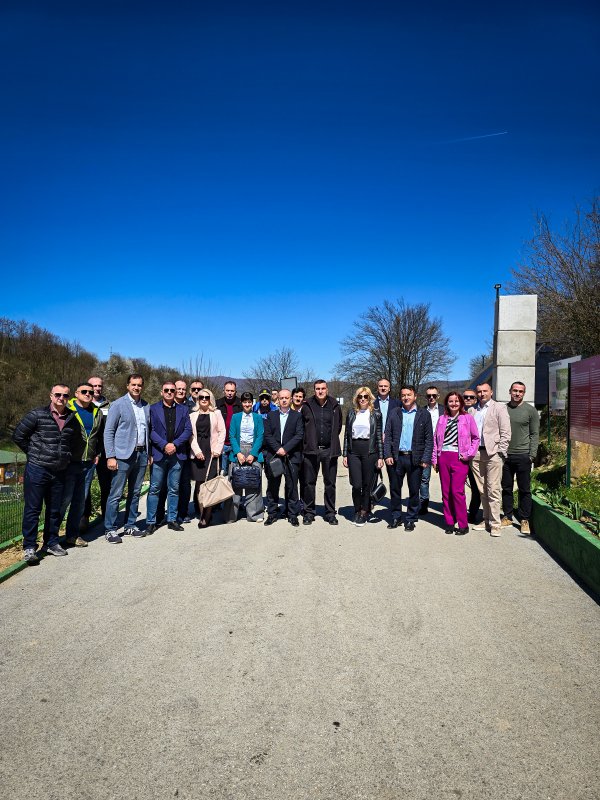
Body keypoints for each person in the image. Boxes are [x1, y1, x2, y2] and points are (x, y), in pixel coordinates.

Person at [13, 384, 78, 562]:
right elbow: (18, 436)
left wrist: (65, 456)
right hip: (37, 469)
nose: (61, 398)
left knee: (54, 510)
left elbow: (73, 441)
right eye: (58, 394)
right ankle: (29, 547)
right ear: (51, 396)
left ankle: (51, 543)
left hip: (59, 471)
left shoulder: (72, 418)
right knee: (33, 509)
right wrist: (34, 453)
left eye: (65, 395)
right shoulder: (37, 415)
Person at [103, 374, 150, 543]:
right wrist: (110, 456)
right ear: (127, 386)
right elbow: (109, 431)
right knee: (116, 494)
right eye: (133, 384)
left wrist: (149, 453)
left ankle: (130, 525)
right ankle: (110, 529)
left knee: (135, 492)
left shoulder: (146, 406)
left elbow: (148, 431)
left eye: (139, 385)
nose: (136, 387)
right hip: (122, 456)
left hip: (141, 454)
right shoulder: (117, 405)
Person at [60, 383, 105, 547]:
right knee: (64, 500)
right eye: (84, 391)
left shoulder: (97, 412)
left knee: (80, 501)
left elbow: (100, 436)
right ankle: (51, 539)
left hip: (88, 462)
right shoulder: (68, 409)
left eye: (90, 392)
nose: (88, 394)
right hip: (69, 462)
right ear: (76, 393)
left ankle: (72, 535)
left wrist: (97, 453)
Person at [383, 385, 433, 531]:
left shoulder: (424, 414)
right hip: (397, 457)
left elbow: (429, 439)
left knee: (414, 490)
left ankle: (411, 518)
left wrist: (426, 458)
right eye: (403, 395)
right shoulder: (394, 413)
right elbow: (388, 435)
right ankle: (396, 516)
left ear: (415, 396)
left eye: (409, 395)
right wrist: (387, 454)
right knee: (395, 489)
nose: (406, 397)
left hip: (415, 458)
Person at [145, 382, 193, 535]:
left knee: (174, 489)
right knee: (154, 489)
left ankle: (172, 519)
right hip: (159, 454)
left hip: (177, 454)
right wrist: (164, 445)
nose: (170, 392)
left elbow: (188, 430)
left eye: (172, 390)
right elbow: (151, 430)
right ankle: (151, 521)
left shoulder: (183, 409)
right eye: (166, 390)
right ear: (161, 392)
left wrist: (175, 444)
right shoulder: (153, 408)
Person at [432, 392, 480, 535]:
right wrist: (435, 459)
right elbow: (435, 440)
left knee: (457, 492)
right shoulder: (442, 419)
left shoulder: (467, 418)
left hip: (460, 458)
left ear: (461, 403)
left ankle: (463, 524)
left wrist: (469, 454)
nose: (454, 404)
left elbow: (476, 438)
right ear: (447, 403)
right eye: (451, 401)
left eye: (456, 401)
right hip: (443, 457)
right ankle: (449, 521)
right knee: (446, 492)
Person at [468, 382, 511, 537]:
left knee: (493, 489)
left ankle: (495, 523)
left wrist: (501, 452)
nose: (482, 394)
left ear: (491, 392)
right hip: (476, 454)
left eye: (485, 391)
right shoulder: (472, 410)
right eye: (479, 392)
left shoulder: (499, 408)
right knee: (482, 490)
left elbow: (506, 432)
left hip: (493, 453)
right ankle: (486, 520)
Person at [301, 380, 343, 525]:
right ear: (314, 390)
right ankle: (309, 512)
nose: (320, 391)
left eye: (323, 388)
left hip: (329, 450)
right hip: (311, 450)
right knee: (309, 483)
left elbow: (338, 426)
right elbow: (302, 426)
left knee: (330, 483)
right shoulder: (307, 405)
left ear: (327, 389)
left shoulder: (334, 406)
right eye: (317, 389)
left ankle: (330, 513)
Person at [501, 381, 540, 534]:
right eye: (515, 390)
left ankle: (524, 520)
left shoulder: (530, 411)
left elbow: (534, 434)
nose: (517, 393)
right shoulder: (503, 409)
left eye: (520, 391)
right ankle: (507, 516)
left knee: (524, 489)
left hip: (523, 455)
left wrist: (532, 455)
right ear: (510, 391)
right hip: (505, 455)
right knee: (506, 488)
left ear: (524, 393)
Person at [342, 387, 384, 526]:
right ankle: (356, 509)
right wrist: (345, 454)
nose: (363, 399)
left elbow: (378, 436)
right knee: (356, 484)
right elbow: (347, 435)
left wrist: (381, 457)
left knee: (367, 484)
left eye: (366, 396)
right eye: (360, 396)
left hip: (369, 451)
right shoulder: (351, 413)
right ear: (357, 398)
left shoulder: (376, 414)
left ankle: (364, 511)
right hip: (354, 451)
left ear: (370, 398)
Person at [263, 389, 304, 526]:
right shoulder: (271, 415)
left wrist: (285, 449)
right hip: (275, 456)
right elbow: (267, 435)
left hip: (292, 456)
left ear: (291, 399)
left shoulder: (297, 416)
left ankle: (292, 514)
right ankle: (272, 513)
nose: (284, 400)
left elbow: (299, 435)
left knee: (292, 486)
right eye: (282, 398)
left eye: (287, 398)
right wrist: (278, 449)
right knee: (273, 486)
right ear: (278, 400)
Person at [223, 392, 265, 523]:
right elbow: (232, 436)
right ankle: (231, 515)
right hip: (238, 449)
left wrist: (253, 453)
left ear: (252, 403)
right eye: (245, 402)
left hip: (253, 449)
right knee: (234, 483)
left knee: (254, 482)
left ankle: (255, 514)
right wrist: (238, 453)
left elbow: (260, 436)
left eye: (249, 402)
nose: (247, 404)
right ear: (241, 403)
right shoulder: (236, 417)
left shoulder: (258, 417)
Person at [190, 389, 226, 528]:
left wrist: (218, 449)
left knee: (210, 485)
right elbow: (190, 435)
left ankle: (208, 515)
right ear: (198, 399)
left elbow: (222, 431)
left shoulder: (216, 413)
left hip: (212, 452)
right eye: (201, 397)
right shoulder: (192, 415)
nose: (204, 399)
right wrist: (197, 451)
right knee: (200, 485)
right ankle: (202, 514)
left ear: (211, 399)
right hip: (198, 452)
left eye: (207, 397)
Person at [81, 375, 112, 526]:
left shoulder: (109, 405)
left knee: (106, 485)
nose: (97, 388)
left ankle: (107, 516)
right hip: (87, 452)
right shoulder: (82, 405)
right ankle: (84, 516)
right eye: (94, 386)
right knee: (84, 486)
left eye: (100, 386)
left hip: (105, 451)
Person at [419, 386, 444, 515]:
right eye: (429, 396)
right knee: (424, 478)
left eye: (434, 395)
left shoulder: (445, 410)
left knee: (446, 479)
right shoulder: (421, 411)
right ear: (426, 397)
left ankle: (447, 505)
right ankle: (423, 504)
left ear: (438, 396)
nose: (431, 398)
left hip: (443, 448)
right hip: (426, 448)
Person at [462, 389, 481, 523]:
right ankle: (459, 511)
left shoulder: (479, 413)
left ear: (475, 399)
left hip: (475, 456)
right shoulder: (456, 412)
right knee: (457, 488)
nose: (468, 399)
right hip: (459, 456)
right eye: (466, 397)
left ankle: (472, 513)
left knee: (475, 487)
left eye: (471, 397)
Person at [216, 381, 242, 474]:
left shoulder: (241, 404)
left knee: (235, 474)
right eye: (227, 390)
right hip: (221, 444)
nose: (230, 393)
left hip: (236, 444)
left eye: (232, 391)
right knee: (221, 474)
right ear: (223, 391)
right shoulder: (217, 404)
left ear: (235, 392)